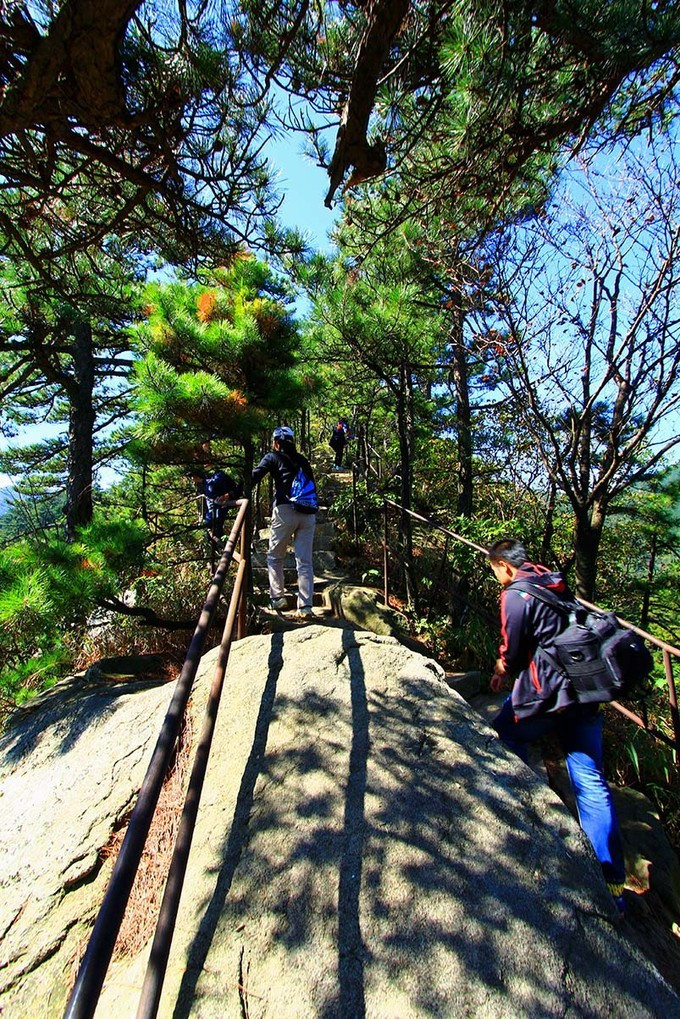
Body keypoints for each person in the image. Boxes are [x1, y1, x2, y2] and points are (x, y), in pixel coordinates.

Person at [487, 538, 627, 915]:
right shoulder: (551, 580)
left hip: (549, 692)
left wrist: (502, 667)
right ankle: (612, 885)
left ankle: (517, 815)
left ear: (504, 566)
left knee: (503, 734)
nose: (496, 577)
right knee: (591, 781)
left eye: (495, 570)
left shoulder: (515, 596)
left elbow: (513, 650)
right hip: (586, 689)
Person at [251, 426, 318, 619]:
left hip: (285, 511)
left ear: (276, 443)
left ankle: (278, 598)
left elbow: (254, 476)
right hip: (308, 513)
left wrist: (233, 493)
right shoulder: (302, 460)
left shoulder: (273, 457)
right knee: (304, 561)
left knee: (275, 556)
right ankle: (305, 606)